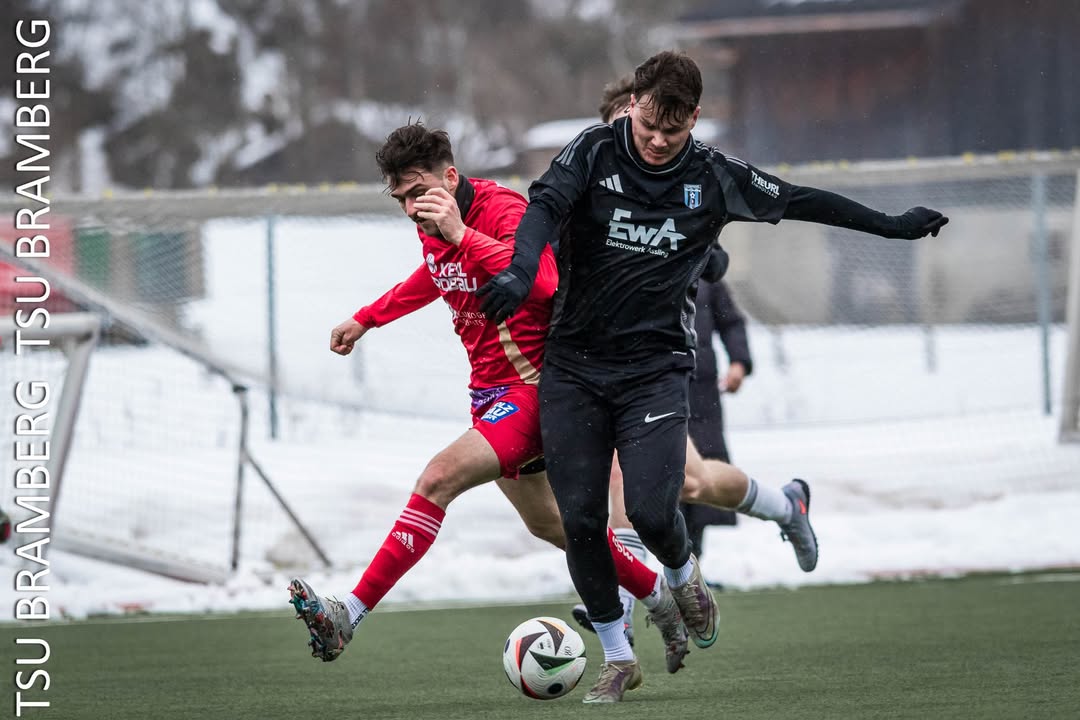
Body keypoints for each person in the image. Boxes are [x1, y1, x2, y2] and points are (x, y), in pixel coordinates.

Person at [478, 50, 947, 702]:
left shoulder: (713, 175)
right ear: (633, 104)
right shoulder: (592, 150)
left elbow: (800, 199)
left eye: (673, 129)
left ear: (694, 118)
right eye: (649, 124)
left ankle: (682, 573)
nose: (658, 139)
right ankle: (619, 657)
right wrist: (520, 269)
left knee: (652, 511)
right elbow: (543, 208)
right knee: (582, 521)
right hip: (574, 368)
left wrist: (890, 227)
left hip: (655, 371)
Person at [288, 122, 686, 668]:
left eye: (418, 192)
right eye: (400, 199)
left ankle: (348, 615)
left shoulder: (503, 210)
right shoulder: (433, 220)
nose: (411, 208)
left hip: (540, 389)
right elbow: (435, 274)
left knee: (438, 478)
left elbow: (542, 280)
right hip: (489, 393)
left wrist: (461, 234)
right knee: (555, 527)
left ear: (450, 177)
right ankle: (661, 598)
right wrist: (367, 318)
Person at [570, 74, 803, 654]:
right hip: (596, 369)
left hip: (665, 372)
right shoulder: (585, 186)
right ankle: (624, 610)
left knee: (692, 484)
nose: (641, 146)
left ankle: (785, 506)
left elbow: (716, 270)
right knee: (618, 490)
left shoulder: (680, 192)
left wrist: (696, 249)